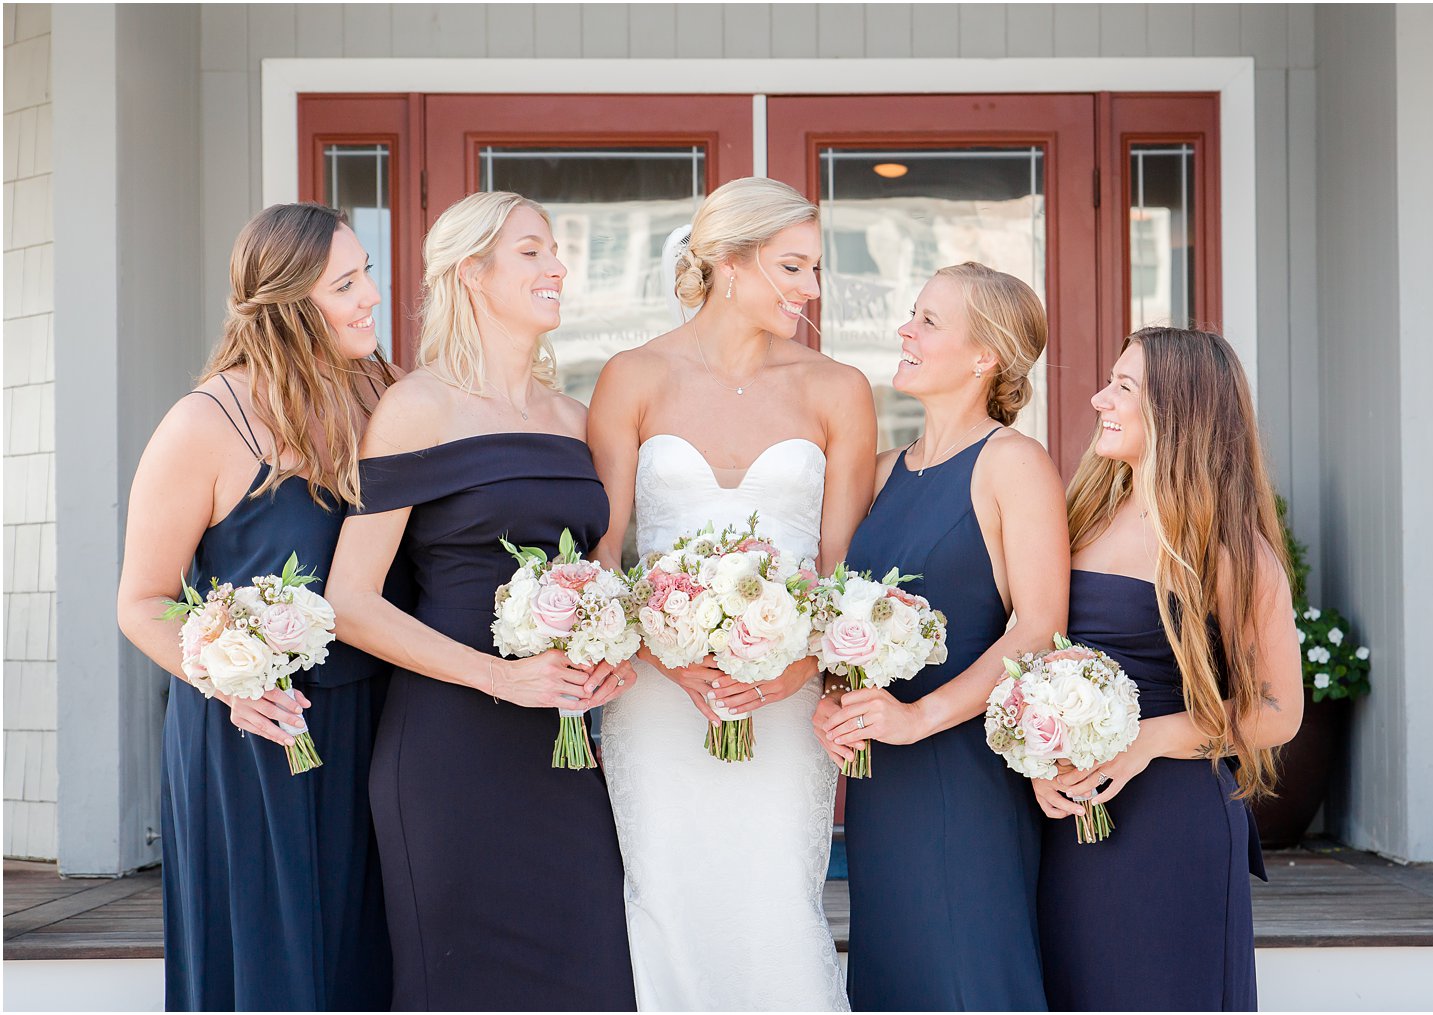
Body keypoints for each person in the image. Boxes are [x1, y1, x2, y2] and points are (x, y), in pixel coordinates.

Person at [324, 191, 637, 1011]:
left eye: (555, 249)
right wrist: (500, 678)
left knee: (594, 970)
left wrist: (610, 657)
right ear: (472, 272)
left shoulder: (576, 420)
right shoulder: (415, 407)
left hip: (563, 750)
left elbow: (604, 574)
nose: (557, 266)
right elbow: (350, 601)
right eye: (532, 251)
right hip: (448, 752)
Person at [587, 176, 876, 1010]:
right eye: (793, 266)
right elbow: (608, 554)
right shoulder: (632, 376)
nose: (811, 290)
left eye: (815, 269)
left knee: (778, 903)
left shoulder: (839, 389)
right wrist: (668, 661)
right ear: (727, 262)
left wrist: (793, 673)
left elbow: (842, 571)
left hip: (786, 698)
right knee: (666, 900)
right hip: (654, 696)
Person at [117, 203, 394, 1011]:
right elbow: (141, 601)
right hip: (253, 737)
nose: (370, 295)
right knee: (270, 971)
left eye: (366, 271)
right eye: (346, 283)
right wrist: (233, 679)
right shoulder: (205, 422)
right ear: (284, 305)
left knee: (363, 962)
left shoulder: (381, 394)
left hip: (374, 722)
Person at [812, 263, 1067, 1011]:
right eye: (911, 315)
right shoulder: (886, 471)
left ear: (986, 354)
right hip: (882, 785)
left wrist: (918, 717)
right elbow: (842, 612)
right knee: (898, 978)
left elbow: (1042, 623)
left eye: (928, 320)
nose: (905, 331)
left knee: (968, 976)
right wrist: (838, 699)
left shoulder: (1013, 464)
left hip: (967, 777)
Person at [1035, 326, 1304, 1011]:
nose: (1100, 398)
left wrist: (1147, 738)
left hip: (1171, 826)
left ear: (1178, 410)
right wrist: (1038, 756)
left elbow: (1280, 712)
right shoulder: (1078, 514)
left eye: (1123, 387)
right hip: (1063, 819)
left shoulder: (1232, 551)